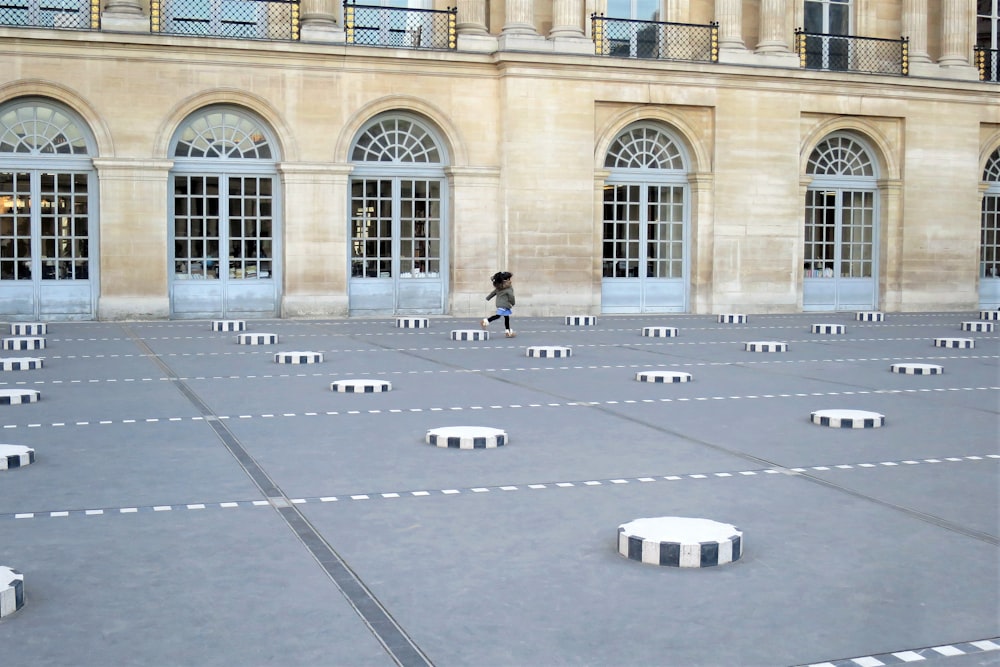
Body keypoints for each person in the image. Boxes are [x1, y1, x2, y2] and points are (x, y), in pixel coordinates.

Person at [481, 271, 516, 338]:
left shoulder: (499, 287)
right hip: (504, 305)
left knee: (506, 318)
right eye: (509, 279)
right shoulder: (509, 289)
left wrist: (488, 297)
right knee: (498, 316)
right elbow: (511, 297)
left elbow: (493, 293)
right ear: (507, 280)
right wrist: (513, 303)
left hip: (500, 304)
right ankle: (485, 321)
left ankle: (508, 331)